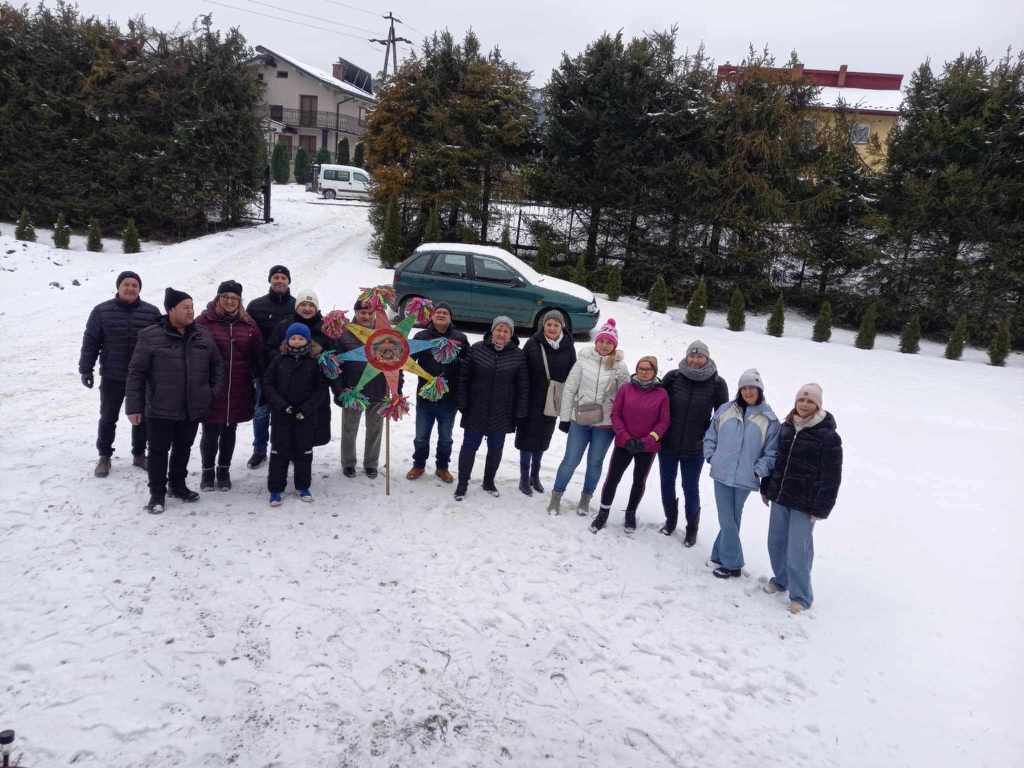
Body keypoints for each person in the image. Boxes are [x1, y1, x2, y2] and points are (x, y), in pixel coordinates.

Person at [125, 288, 224, 514]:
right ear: (171, 310)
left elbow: (217, 365)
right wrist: (133, 406)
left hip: (192, 406)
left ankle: (178, 486)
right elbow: (136, 373)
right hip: (160, 407)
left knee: (183, 449)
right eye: (185, 308)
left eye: (192, 307)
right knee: (159, 452)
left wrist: (210, 393)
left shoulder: (202, 334)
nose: (191, 312)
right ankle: (157, 495)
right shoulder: (150, 335)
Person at [761, 384, 843, 614]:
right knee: (775, 542)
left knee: (798, 549)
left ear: (818, 405)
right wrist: (767, 488)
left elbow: (831, 476)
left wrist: (821, 507)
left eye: (810, 401)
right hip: (780, 496)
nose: (804, 405)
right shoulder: (787, 427)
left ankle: (801, 596)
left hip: (805, 504)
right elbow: (775, 461)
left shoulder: (828, 436)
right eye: (801, 400)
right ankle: (781, 579)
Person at [78, 270, 161, 477]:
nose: (131, 288)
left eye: (135, 285)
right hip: (113, 375)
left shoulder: (151, 313)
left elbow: (161, 343)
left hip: (142, 376)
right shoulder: (101, 311)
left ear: (139, 289)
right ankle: (104, 456)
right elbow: (91, 341)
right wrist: (85, 369)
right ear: (119, 287)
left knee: (141, 417)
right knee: (108, 417)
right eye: (127, 284)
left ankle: (139, 454)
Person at [703, 369, 780, 579]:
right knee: (729, 518)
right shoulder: (725, 410)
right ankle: (720, 555)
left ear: (759, 390)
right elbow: (711, 435)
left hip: (746, 477)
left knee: (730, 518)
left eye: (752, 387)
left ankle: (733, 564)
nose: (748, 391)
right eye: (744, 388)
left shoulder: (769, 419)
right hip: (721, 472)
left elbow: (772, 453)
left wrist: (758, 470)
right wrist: (711, 456)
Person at [548, 319, 629, 516]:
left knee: (595, 463)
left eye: (609, 343)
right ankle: (556, 497)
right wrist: (565, 418)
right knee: (570, 460)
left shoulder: (620, 366)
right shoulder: (582, 361)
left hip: (605, 425)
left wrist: (621, 426)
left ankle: (585, 498)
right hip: (580, 420)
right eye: (602, 341)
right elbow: (569, 389)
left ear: (614, 345)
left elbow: (625, 397)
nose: (604, 345)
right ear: (596, 341)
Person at [658, 340, 729, 545]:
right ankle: (670, 520)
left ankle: (692, 528)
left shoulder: (717, 383)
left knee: (690, 487)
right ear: (686, 356)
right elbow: (657, 404)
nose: (695, 360)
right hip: (668, 444)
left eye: (700, 356)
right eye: (692, 355)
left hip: (694, 447)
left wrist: (707, 440)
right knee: (666, 484)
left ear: (707, 358)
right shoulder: (673, 377)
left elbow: (721, 418)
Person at [194, 280, 262, 491]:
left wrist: (259, 380)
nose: (230, 301)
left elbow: (258, 356)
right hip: (212, 387)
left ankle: (223, 471)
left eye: (235, 298)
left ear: (240, 301)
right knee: (210, 431)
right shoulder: (204, 322)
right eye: (226, 297)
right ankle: (207, 472)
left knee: (229, 430)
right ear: (218, 298)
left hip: (239, 387)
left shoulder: (248, 324)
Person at [590, 356, 669, 533]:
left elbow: (664, 422)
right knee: (612, 478)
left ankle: (630, 513)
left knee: (638, 481)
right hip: (624, 443)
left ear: (654, 371)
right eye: (640, 368)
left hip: (646, 447)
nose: (643, 372)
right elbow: (616, 414)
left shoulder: (661, 394)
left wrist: (648, 440)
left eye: (648, 369)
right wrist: (625, 437)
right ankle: (603, 513)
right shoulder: (626, 389)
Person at [454, 316, 528, 500]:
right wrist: (462, 402)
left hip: (502, 412)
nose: (501, 334)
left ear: (511, 335)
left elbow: (523, 386)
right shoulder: (477, 349)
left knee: (496, 449)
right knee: (469, 447)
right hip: (476, 409)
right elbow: (463, 378)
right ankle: (462, 484)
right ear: (492, 331)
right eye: (499, 330)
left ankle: (489, 481)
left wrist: (520, 411)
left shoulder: (518, 355)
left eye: (506, 331)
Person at [262, 322, 328, 506]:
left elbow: (321, 389)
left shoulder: (314, 362)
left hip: (305, 416)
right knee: (279, 452)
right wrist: (282, 406)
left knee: (304, 452)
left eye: (301, 338)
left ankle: (303, 485)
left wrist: (307, 408)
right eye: (293, 338)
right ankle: (276, 489)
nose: (297, 341)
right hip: (282, 414)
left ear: (307, 340)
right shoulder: (278, 360)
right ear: (287, 340)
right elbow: (268, 385)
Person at [515, 310, 577, 496]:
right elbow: (522, 373)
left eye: (556, 325)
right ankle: (524, 477)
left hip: (553, 401)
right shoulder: (533, 344)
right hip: (531, 399)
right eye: (548, 324)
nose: (552, 328)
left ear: (562, 327)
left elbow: (572, 376)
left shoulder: (568, 346)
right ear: (544, 325)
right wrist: (522, 400)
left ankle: (535, 476)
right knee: (527, 440)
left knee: (542, 440)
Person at [407, 302, 468, 483]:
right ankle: (418, 465)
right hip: (424, 397)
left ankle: (442, 468)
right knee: (421, 436)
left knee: (446, 438)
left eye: (445, 312)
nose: (441, 314)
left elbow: (468, 365)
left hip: (449, 399)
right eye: (438, 312)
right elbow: (407, 360)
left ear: (450, 318)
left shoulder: (460, 338)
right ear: (432, 316)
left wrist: (455, 362)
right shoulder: (421, 336)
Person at [245, 265, 295, 469]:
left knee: (286, 411)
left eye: (283, 277)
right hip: (263, 369)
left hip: (291, 371)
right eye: (276, 277)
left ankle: (286, 448)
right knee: (261, 412)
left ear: (289, 281)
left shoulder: (297, 305)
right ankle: (259, 449)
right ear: (270, 280)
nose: (279, 280)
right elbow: (247, 337)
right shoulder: (256, 306)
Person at [272, 288, 333, 451]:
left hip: (314, 387)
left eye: (311, 305)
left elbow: (335, 352)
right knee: (287, 425)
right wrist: (283, 358)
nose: (307, 308)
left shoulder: (326, 328)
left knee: (312, 423)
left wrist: (323, 357)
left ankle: (305, 452)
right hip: (287, 386)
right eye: (303, 304)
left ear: (317, 308)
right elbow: (270, 349)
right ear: (296, 307)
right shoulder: (284, 325)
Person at [333, 297, 387, 478]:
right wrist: (340, 390)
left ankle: (371, 464)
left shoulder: (384, 334)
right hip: (353, 390)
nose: (366, 316)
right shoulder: (345, 334)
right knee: (349, 428)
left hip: (379, 389)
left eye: (370, 313)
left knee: (375, 429)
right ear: (356, 313)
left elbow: (396, 362)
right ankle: (348, 463)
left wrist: (397, 389)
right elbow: (336, 365)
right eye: (362, 312)